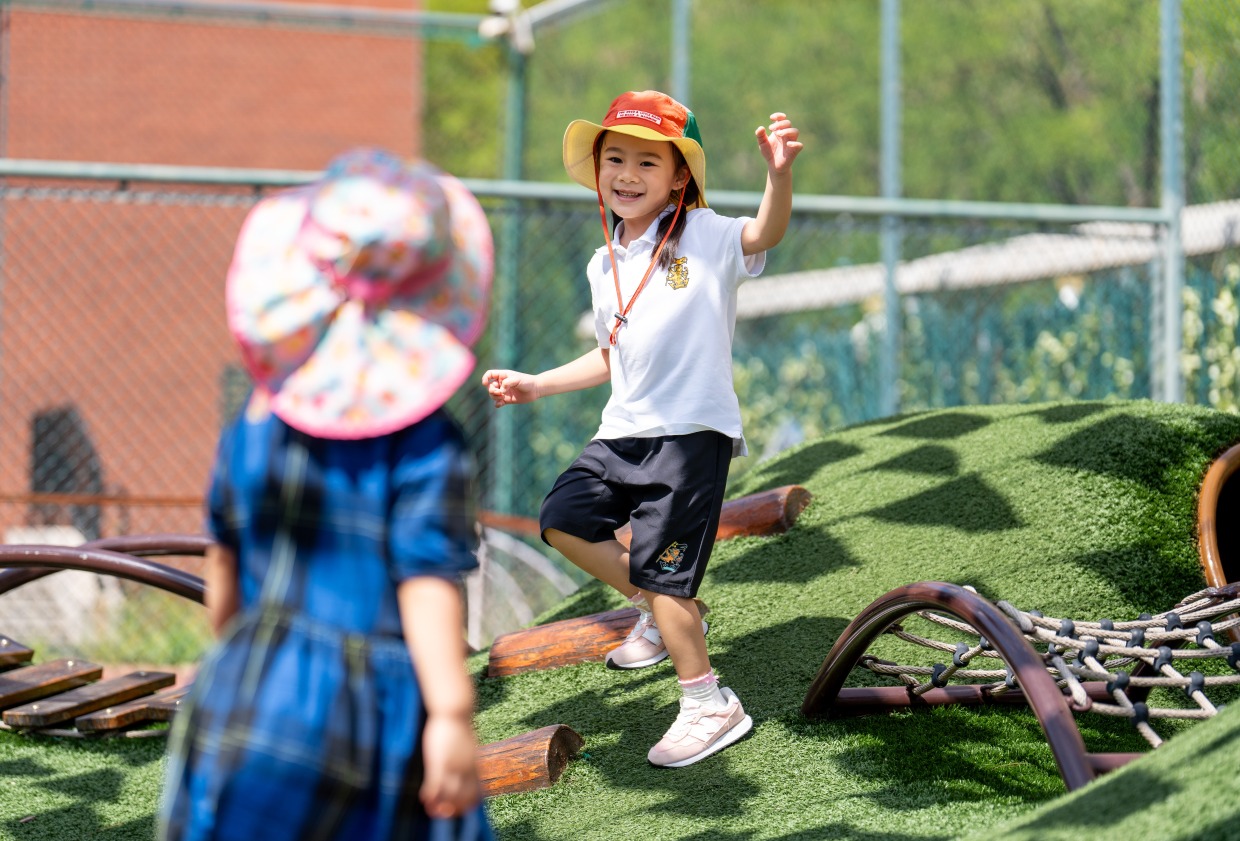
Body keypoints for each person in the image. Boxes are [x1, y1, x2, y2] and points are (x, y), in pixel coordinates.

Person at [160, 148, 496, 840]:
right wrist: (453, 713)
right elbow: (426, 582)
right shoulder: (429, 444)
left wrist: (239, 652)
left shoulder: (253, 425)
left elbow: (222, 572)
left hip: (248, 685)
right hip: (373, 707)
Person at [481, 90, 802, 768]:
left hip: (690, 435)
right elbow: (609, 352)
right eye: (614, 158)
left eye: (645, 163)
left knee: (667, 571)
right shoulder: (605, 263)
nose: (626, 174)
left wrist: (779, 175)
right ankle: (655, 607)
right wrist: (537, 382)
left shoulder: (706, 236)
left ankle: (709, 702)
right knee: (564, 514)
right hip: (623, 430)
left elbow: (764, 234)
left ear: (680, 177)